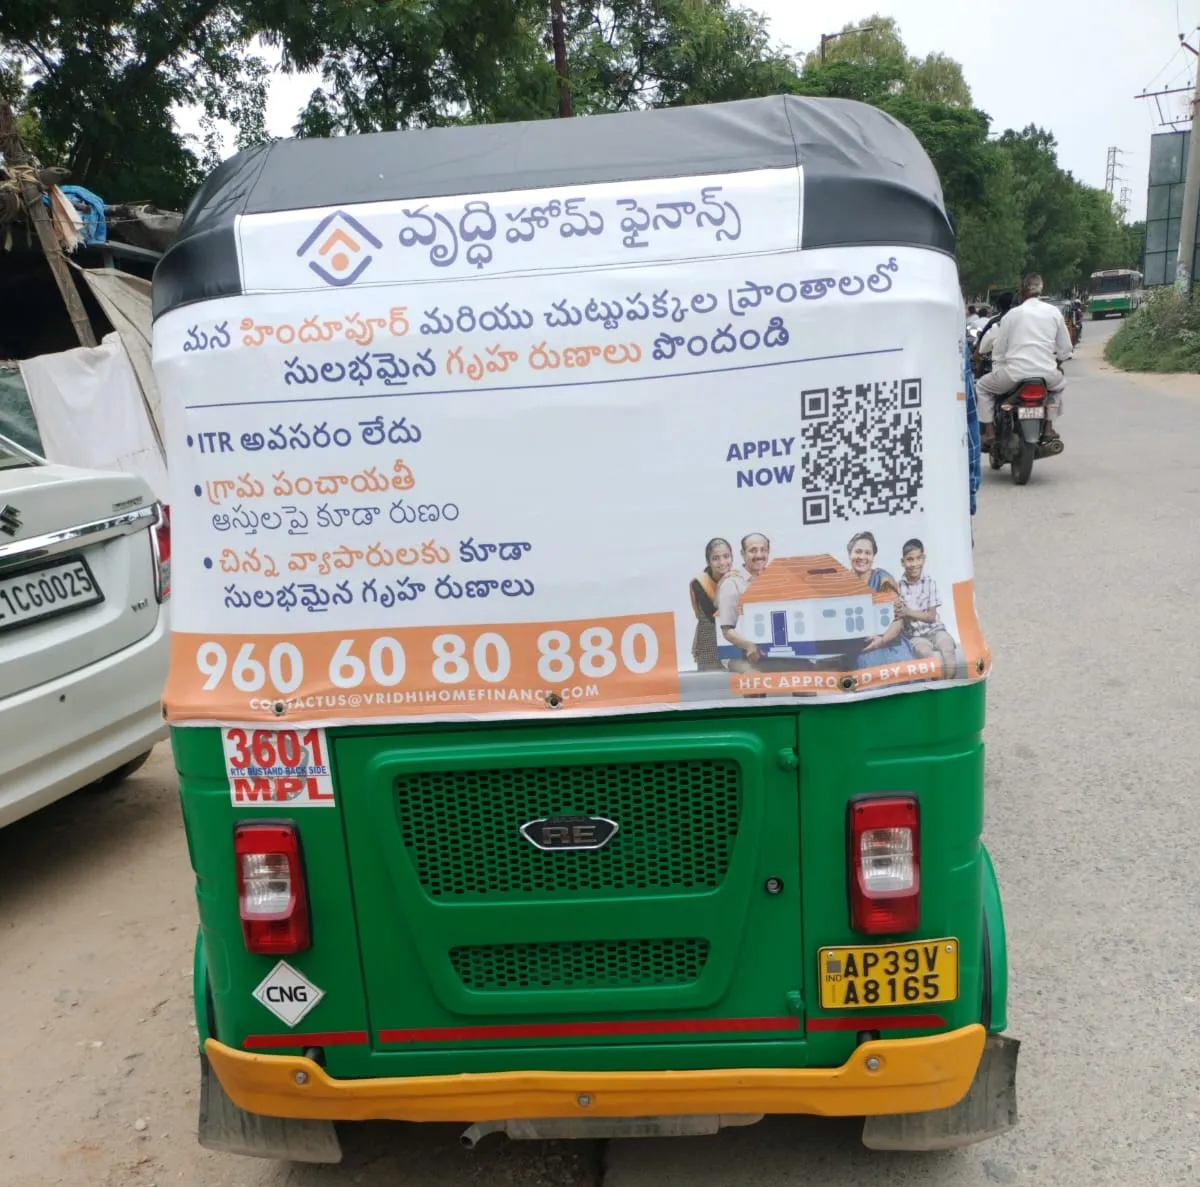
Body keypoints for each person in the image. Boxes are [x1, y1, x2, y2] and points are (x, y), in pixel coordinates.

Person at [976, 273, 1072, 445]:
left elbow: (999, 351)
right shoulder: (1054, 313)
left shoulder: (1011, 315)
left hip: (1014, 375)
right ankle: (1049, 427)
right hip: (1047, 375)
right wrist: (1056, 364)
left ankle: (989, 432)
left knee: (982, 386)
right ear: (1041, 290)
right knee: (1058, 388)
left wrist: (998, 368)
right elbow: (1065, 349)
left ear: (1021, 292)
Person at [846, 531, 915, 668]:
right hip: (860, 647)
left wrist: (882, 640)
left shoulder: (883, 579)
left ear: (873, 557)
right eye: (858, 552)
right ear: (850, 553)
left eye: (868, 553)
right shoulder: (842, 581)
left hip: (889, 643)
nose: (862, 557)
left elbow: (898, 619)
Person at [896, 539, 958, 678]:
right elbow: (899, 615)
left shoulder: (929, 582)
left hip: (935, 630)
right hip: (915, 635)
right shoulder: (898, 588)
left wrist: (908, 612)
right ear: (903, 562)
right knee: (926, 654)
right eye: (910, 560)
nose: (914, 564)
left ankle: (947, 687)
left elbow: (931, 617)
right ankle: (937, 690)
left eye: (918, 559)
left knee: (948, 649)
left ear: (923, 559)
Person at [717, 532, 770, 670]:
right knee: (755, 679)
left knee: (805, 680)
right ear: (742, 553)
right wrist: (749, 646)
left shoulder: (772, 580)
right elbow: (727, 630)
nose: (759, 555)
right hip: (736, 653)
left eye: (763, 550)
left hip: (768, 652)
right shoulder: (732, 583)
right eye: (753, 550)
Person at [689, 537, 733, 671]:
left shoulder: (738, 578)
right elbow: (713, 616)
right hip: (709, 644)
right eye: (716, 558)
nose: (722, 562)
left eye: (726, 556)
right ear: (708, 561)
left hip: (734, 644)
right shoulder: (700, 583)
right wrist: (723, 585)